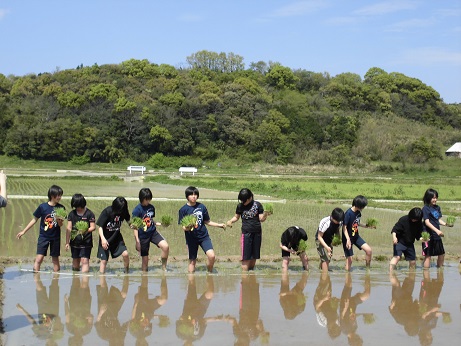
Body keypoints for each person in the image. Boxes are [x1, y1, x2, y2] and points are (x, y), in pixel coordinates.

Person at [16, 185, 65, 272]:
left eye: (60, 195)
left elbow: (60, 225)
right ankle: (36, 279)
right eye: (58, 195)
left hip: (55, 237)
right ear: (52, 195)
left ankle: (56, 281)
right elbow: (34, 220)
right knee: (39, 258)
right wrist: (24, 231)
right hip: (44, 236)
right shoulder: (43, 207)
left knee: (55, 259)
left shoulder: (61, 208)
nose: (59, 197)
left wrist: (58, 220)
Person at [178, 186, 226, 273]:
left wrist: (219, 225)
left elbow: (207, 221)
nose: (194, 196)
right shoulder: (183, 210)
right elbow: (184, 228)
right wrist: (189, 226)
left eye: (195, 194)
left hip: (204, 237)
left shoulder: (202, 207)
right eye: (191, 195)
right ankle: (191, 282)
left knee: (211, 256)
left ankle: (209, 274)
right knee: (192, 262)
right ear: (187, 196)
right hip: (191, 238)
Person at [226, 188, 269, 271]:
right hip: (246, 234)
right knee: (246, 258)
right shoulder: (240, 206)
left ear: (250, 198)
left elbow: (261, 219)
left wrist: (265, 214)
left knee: (254, 256)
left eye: (244, 201)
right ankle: (244, 276)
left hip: (257, 233)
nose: (243, 202)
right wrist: (230, 221)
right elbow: (236, 217)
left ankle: (251, 276)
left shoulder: (258, 205)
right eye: (241, 200)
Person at [131, 187, 169, 272]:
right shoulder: (137, 210)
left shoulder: (151, 207)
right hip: (143, 235)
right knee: (145, 260)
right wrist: (137, 241)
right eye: (147, 200)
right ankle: (144, 278)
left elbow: (150, 219)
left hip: (153, 232)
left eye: (149, 199)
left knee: (165, 247)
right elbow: (135, 227)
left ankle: (164, 268)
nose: (148, 201)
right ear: (142, 199)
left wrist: (159, 223)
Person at [97, 196, 131, 274]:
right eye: (119, 209)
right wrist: (103, 239)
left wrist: (133, 225)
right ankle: (101, 279)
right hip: (105, 238)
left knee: (125, 254)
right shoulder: (107, 211)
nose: (120, 211)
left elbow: (129, 222)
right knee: (104, 261)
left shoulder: (124, 211)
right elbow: (100, 227)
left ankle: (127, 272)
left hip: (116, 237)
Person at [422, 188, 453, 268]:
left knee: (441, 254)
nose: (435, 199)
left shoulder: (437, 208)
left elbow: (438, 220)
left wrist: (446, 224)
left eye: (436, 197)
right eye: (433, 198)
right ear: (428, 198)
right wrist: (437, 231)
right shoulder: (425, 208)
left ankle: (440, 271)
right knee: (428, 255)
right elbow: (427, 222)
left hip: (436, 235)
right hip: (428, 235)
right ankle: (426, 274)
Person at [65, 193, 96, 273]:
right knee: (75, 261)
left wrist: (85, 230)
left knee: (84, 261)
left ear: (82, 204)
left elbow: (93, 227)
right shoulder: (72, 214)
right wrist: (67, 242)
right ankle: (76, 282)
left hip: (86, 242)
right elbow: (69, 228)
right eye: (76, 206)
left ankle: (85, 283)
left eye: (79, 206)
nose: (77, 208)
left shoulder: (89, 214)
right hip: (74, 241)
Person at [342, 195, 373, 271]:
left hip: (356, 237)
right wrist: (348, 240)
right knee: (349, 260)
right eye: (363, 206)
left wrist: (367, 226)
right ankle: (347, 277)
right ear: (358, 205)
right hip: (348, 238)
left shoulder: (358, 213)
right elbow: (344, 228)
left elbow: (357, 223)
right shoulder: (348, 213)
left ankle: (367, 270)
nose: (363, 208)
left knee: (369, 251)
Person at [64, 276, 93, 344]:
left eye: (74, 341)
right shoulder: (86, 330)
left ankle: (77, 267)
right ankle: (85, 269)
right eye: (78, 342)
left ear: (71, 340)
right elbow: (91, 317)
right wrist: (83, 317)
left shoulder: (70, 329)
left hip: (73, 303)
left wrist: (65, 302)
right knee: (84, 285)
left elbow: (67, 315)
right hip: (85, 304)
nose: (76, 339)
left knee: (75, 282)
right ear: (81, 341)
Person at [315, 208, 345, 272]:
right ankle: (325, 275)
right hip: (320, 240)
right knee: (325, 259)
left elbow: (337, 230)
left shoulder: (340, 222)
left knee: (328, 259)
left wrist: (338, 238)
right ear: (332, 216)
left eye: (339, 221)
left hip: (329, 240)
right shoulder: (325, 222)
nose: (338, 222)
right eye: (337, 221)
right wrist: (327, 248)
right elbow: (319, 237)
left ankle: (321, 270)